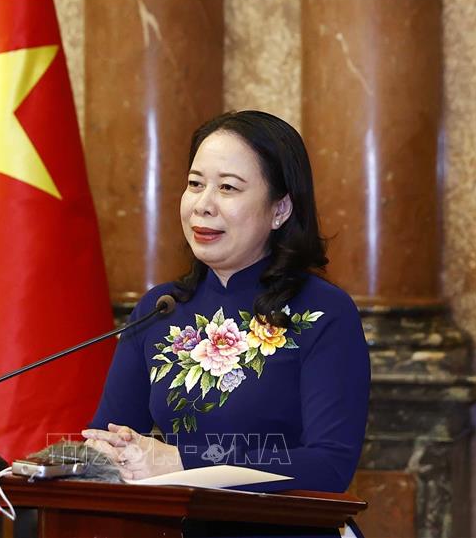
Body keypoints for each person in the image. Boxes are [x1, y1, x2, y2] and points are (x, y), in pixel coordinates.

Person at [82, 110, 370, 538]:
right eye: (195, 184)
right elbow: (111, 440)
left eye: (228, 188)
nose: (203, 203)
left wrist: (182, 460)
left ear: (280, 209)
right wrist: (104, 455)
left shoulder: (323, 313)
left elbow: (328, 465)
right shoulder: (159, 308)